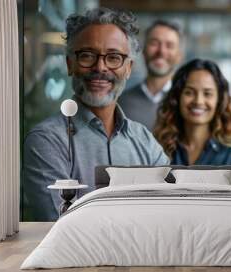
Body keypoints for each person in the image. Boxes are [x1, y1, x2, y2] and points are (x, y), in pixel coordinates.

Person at [23, 8, 169, 221]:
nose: (100, 67)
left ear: (129, 68)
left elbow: (168, 214)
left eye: (114, 57)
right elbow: (60, 227)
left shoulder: (145, 141)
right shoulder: (46, 141)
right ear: (70, 64)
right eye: (87, 55)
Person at [154, 59, 231, 166]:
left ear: (219, 101)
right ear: (176, 98)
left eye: (207, 94)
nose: (198, 101)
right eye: (189, 92)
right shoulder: (156, 149)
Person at [118, 19, 184, 130]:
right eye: (154, 43)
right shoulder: (121, 103)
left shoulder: (185, 102)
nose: (161, 51)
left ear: (179, 56)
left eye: (169, 45)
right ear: (143, 51)